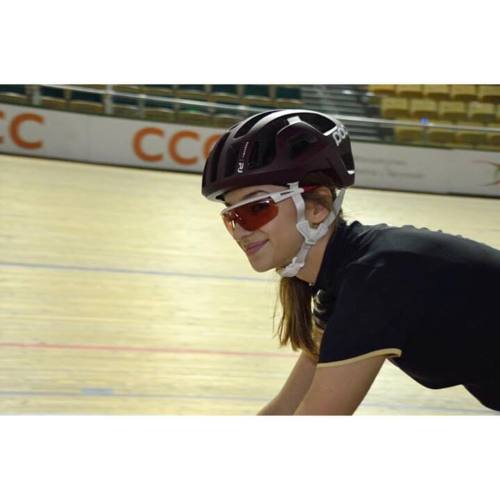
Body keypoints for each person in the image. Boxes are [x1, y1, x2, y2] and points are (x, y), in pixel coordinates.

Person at [201, 108, 500, 415]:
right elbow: (285, 407)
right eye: (232, 215)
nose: (240, 230)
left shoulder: (375, 280)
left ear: (317, 207)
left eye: (257, 209)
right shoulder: (339, 284)